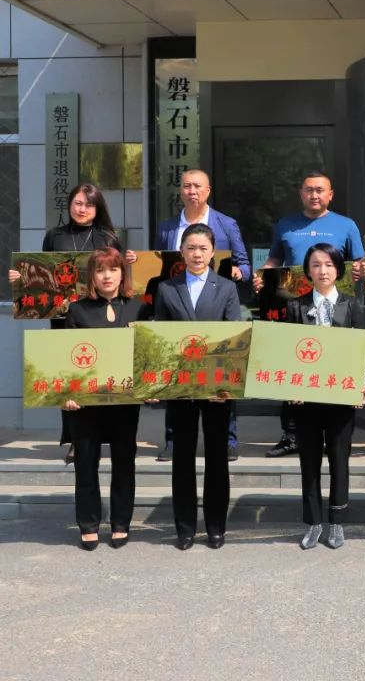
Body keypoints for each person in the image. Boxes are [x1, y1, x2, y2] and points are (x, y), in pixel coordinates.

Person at [9, 183, 136, 464]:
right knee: (72, 373)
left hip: (101, 315)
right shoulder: (55, 236)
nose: (82, 209)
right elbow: (41, 273)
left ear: (97, 208)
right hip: (65, 315)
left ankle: (107, 434)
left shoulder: (108, 237)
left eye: (89, 204)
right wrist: (21, 280)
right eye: (78, 203)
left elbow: (119, 274)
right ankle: (76, 439)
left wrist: (133, 262)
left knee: (104, 370)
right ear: (69, 205)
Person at [255, 171, 365, 458]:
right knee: (294, 366)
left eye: (320, 190)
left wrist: (364, 270)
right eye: (309, 190)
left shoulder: (346, 225)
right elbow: (274, 259)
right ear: (301, 194)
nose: (314, 195)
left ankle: (334, 436)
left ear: (330, 194)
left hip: (335, 310)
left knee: (333, 366)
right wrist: (262, 275)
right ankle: (290, 435)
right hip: (295, 308)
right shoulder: (286, 224)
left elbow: (360, 262)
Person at [154, 223, 243, 550]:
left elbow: (234, 337)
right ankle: (185, 527)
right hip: (181, 385)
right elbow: (160, 338)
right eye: (191, 248)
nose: (197, 254)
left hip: (216, 386)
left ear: (213, 251)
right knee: (183, 457)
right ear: (181, 251)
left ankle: (216, 526)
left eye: (203, 248)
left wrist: (226, 384)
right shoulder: (167, 289)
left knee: (217, 457)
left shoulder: (226, 288)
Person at [153, 169, 251, 463]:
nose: (191, 191)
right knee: (178, 385)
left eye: (197, 186)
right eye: (186, 186)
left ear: (208, 190)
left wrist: (237, 273)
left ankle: (228, 439)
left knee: (221, 383)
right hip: (177, 305)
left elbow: (245, 266)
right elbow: (157, 264)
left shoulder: (226, 224)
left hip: (216, 310)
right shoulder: (167, 228)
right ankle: (173, 441)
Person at [63, 247, 150, 550]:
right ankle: (88, 524)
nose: (107, 276)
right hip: (86, 404)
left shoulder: (138, 308)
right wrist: (67, 394)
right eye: (100, 270)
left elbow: (146, 355)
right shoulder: (77, 310)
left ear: (122, 273)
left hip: (124, 402)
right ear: (92, 276)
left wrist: (151, 388)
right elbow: (65, 358)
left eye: (113, 269)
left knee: (124, 463)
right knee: (86, 463)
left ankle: (121, 522)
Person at [286, 243, 365, 550]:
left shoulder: (351, 305)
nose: (323, 271)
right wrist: (290, 388)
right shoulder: (295, 307)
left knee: (339, 459)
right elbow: (287, 352)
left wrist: (361, 384)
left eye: (329, 264)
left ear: (339, 269)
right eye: (316, 265)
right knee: (309, 461)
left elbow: (360, 351)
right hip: (306, 399)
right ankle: (313, 522)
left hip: (340, 396)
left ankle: (336, 521)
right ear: (308, 271)